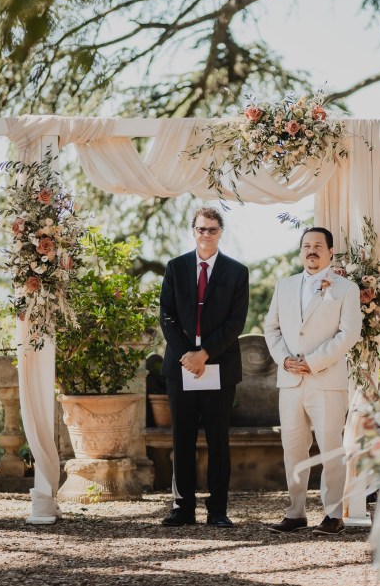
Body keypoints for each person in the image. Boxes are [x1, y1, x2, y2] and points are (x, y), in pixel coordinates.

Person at [262, 226, 362, 536]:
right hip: (290, 380)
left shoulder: (346, 288)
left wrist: (314, 361)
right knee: (293, 448)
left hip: (326, 380)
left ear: (330, 251)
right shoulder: (285, 286)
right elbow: (271, 328)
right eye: (306, 245)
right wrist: (284, 359)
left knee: (331, 448)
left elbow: (349, 333)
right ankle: (295, 512)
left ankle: (333, 514)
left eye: (318, 245)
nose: (311, 250)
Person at [158, 206, 249, 528]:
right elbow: (166, 315)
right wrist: (188, 355)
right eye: (201, 229)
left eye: (212, 229)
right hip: (181, 366)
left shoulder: (237, 272)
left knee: (217, 441)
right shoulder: (176, 267)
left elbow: (236, 322)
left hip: (219, 365)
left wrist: (205, 353)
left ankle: (217, 510)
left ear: (220, 232)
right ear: (193, 231)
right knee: (182, 439)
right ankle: (182, 508)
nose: (206, 234)